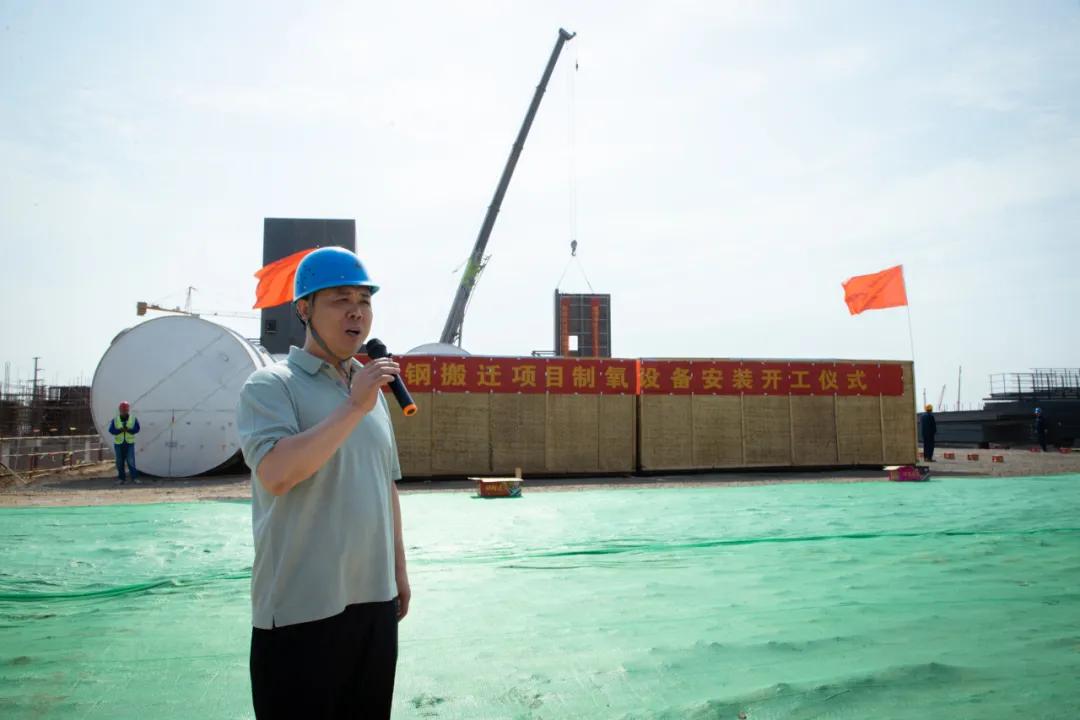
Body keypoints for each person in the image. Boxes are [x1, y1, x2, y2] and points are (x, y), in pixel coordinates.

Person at [236, 246, 409, 720]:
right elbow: (276, 475)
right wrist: (353, 406)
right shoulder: (272, 386)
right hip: (301, 608)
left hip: (374, 602)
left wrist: (398, 569)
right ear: (304, 310)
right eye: (339, 299)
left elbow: (385, 484)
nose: (356, 311)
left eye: (364, 300)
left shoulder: (371, 393)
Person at [108, 401, 140, 484]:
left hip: (129, 443)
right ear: (120, 410)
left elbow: (137, 429)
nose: (124, 411)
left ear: (128, 410)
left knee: (130, 460)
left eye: (125, 410)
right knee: (119, 461)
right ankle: (121, 478)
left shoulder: (133, 419)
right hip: (118, 443)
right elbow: (111, 430)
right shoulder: (115, 420)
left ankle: (134, 478)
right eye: (122, 410)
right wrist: (119, 430)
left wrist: (129, 430)